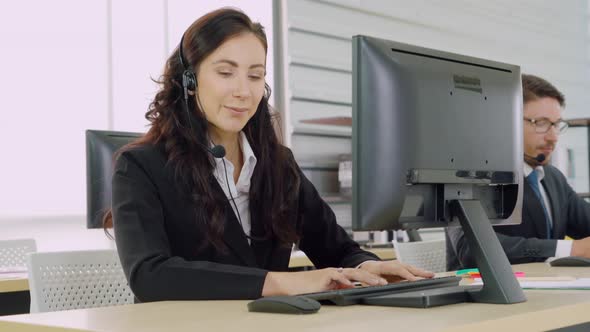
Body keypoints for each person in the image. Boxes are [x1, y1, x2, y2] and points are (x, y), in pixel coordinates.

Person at [104, 7, 433, 302]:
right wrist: (281, 283)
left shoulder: (278, 165)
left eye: (255, 75)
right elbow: (150, 275)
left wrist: (370, 267)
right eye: (225, 72)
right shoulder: (140, 167)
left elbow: (336, 249)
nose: (243, 91)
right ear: (189, 80)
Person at [446, 74, 590, 270]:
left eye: (556, 125)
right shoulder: (471, 177)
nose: (553, 137)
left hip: (549, 292)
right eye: (541, 123)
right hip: (481, 296)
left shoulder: (552, 178)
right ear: (507, 122)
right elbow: (470, 248)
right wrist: (569, 249)